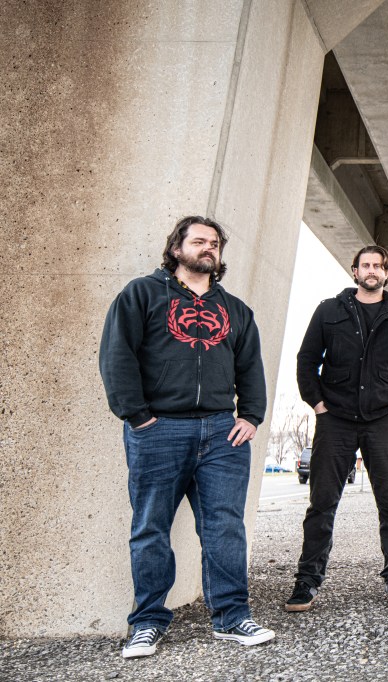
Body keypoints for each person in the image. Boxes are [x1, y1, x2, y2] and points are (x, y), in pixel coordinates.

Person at [99, 216, 274, 659]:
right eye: (198, 241)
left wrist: (251, 415)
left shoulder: (235, 309)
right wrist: (137, 416)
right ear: (177, 248)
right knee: (150, 528)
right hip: (159, 429)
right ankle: (147, 622)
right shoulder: (141, 294)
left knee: (225, 528)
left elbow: (250, 367)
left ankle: (232, 617)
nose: (208, 248)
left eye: (214, 243)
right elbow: (117, 355)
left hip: (221, 433)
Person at [286, 245, 388, 612]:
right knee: (321, 503)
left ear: (387, 272)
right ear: (354, 271)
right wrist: (318, 404)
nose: (371, 270)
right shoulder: (328, 310)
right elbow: (306, 361)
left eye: (378, 266)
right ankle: (307, 579)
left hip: (384, 419)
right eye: (365, 265)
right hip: (335, 418)